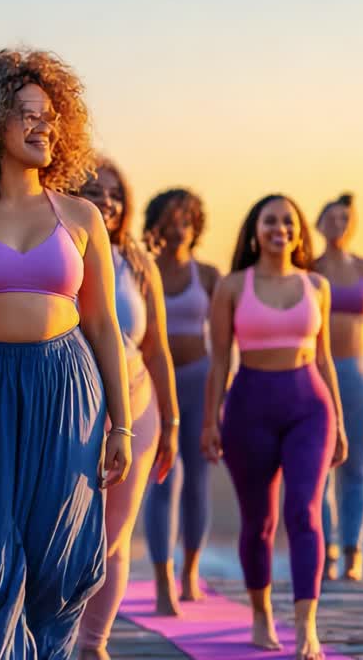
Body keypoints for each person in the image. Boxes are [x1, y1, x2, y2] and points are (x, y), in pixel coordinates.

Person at [0, 48, 132, 659]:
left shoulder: (82, 215)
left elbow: (104, 325)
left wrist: (123, 426)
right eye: (27, 115)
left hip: (66, 394)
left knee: (56, 564)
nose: (43, 126)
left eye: (50, 116)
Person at [202, 194, 347, 660]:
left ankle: (307, 626)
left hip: (310, 409)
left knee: (304, 513)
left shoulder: (316, 286)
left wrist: (339, 423)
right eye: (270, 221)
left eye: (288, 221)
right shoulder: (231, 287)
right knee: (258, 522)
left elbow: (324, 358)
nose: (279, 228)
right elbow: (220, 359)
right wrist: (210, 420)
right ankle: (261, 614)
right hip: (248, 409)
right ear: (254, 230)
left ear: (300, 232)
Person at [77, 160, 179, 659]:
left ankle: (93, 644)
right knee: (65, 530)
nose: (107, 200)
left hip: (137, 404)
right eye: (94, 190)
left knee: (114, 536)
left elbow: (157, 347)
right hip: (70, 403)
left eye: (116, 193)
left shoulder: (137, 262)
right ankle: (52, 633)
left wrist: (174, 421)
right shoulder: (62, 243)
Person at [140, 188, 221, 613]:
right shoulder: (144, 269)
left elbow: (225, 341)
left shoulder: (208, 276)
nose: (178, 227)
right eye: (169, 220)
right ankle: (161, 580)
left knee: (198, 482)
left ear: (196, 225)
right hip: (155, 387)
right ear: (155, 225)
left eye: (186, 219)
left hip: (201, 382)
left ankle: (190, 572)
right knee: (163, 479)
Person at [314, 193, 363, 581]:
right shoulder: (308, 269)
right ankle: (326, 552)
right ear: (318, 224)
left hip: (361, 378)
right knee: (322, 467)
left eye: (345, 218)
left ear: (352, 224)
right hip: (318, 377)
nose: (338, 224)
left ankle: (352, 554)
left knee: (357, 468)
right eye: (330, 217)